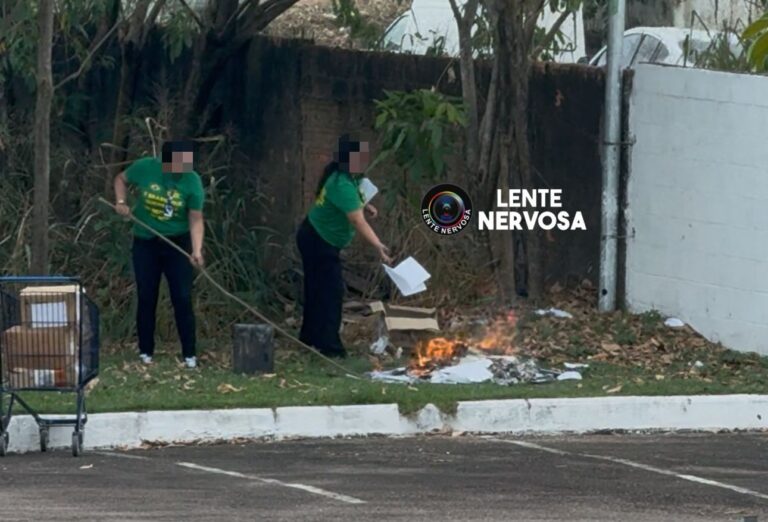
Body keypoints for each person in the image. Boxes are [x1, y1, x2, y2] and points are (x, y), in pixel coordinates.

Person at [297, 135, 392, 359]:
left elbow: (357, 195)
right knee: (331, 293)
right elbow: (356, 220)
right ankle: (330, 347)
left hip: (317, 238)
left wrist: (366, 205)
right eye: (361, 157)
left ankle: (310, 337)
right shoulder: (340, 183)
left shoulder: (350, 177)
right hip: (318, 240)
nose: (365, 161)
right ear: (349, 159)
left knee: (318, 289)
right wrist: (378, 245)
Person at [113, 140, 205, 368]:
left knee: (182, 297)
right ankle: (146, 351)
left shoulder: (192, 180)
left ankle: (189, 354)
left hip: (177, 243)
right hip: (146, 242)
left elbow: (195, 218)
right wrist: (121, 202)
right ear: (164, 163)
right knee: (146, 295)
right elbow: (121, 179)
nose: (181, 170)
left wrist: (196, 250)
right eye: (176, 166)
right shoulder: (145, 167)